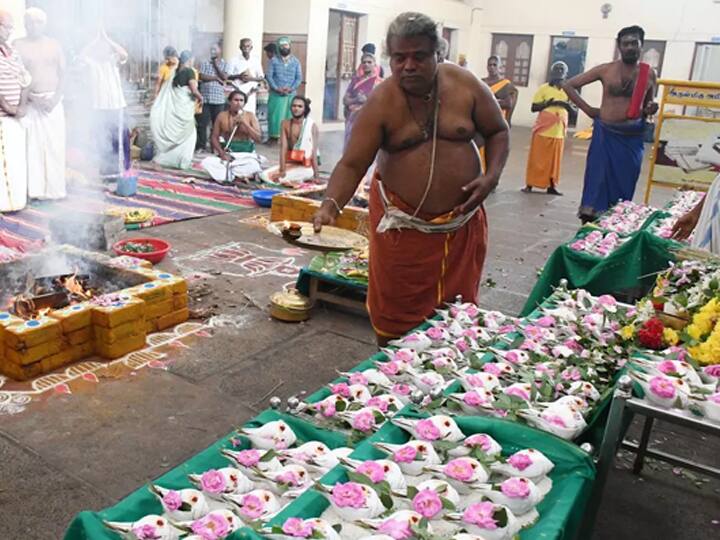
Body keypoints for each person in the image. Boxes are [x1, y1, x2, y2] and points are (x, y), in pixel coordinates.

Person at [312, 12, 509, 344]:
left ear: (438, 54)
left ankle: (449, 365)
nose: (408, 66)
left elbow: (498, 132)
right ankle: (391, 373)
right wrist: (330, 205)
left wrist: (491, 177)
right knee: (396, 311)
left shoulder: (466, 86)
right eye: (399, 58)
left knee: (457, 313)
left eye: (419, 56)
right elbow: (351, 164)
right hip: (402, 227)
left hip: (460, 226)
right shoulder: (381, 101)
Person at [564, 25, 658, 222]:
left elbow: (648, 102)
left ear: (642, 45)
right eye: (626, 44)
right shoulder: (605, 70)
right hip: (605, 135)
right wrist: (588, 110)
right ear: (619, 46)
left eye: (634, 43)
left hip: (631, 140)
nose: (630, 47)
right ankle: (589, 224)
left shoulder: (649, 74)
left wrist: (650, 108)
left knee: (625, 181)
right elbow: (569, 85)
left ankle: (615, 223)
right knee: (597, 180)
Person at [14, 7, 66, 201]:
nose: (33, 25)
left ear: (44, 24)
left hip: (53, 102)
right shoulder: (17, 45)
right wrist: (32, 98)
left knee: (55, 146)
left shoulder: (54, 45)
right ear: (25, 24)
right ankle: (34, 191)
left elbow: (63, 75)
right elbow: (15, 76)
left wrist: (55, 99)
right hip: (30, 102)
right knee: (32, 148)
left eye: (38, 22)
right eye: (30, 22)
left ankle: (55, 190)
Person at [79, 27, 129, 177]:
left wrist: (106, 39)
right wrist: (95, 40)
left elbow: (124, 54)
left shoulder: (113, 61)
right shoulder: (91, 63)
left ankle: (122, 170)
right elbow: (81, 56)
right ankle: (106, 171)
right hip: (99, 107)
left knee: (119, 139)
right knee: (102, 140)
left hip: (116, 105)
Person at [522, 61, 573, 196]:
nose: (559, 71)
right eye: (556, 69)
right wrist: (547, 104)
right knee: (537, 158)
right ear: (552, 72)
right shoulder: (544, 88)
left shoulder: (569, 89)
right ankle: (530, 184)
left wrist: (566, 106)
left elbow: (574, 111)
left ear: (566, 73)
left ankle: (552, 186)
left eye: (562, 69)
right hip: (543, 129)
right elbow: (534, 107)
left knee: (554, 161)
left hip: (558, 131)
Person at [151, 50, 203, 170]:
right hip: (184, 110)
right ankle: (183, 161)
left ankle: (170, 159)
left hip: (178, 108)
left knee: (180, 135)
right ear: (190, 59)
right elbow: (194, 90)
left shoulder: (175, 72)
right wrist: (201, 98)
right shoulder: (189, 71)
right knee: (189, 136)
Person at [0, 10, 31, 212]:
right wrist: (7, 107)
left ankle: (17, 202)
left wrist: (22, 105)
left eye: (11, 27)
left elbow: (25, 79)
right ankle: (4, 203)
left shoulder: (13, 51)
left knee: (16, 162)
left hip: (16, 118)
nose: (9, 31)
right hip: (2, 117)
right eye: (6, 26)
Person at [201, 90, 265, 183]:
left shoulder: (250, 116)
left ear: (245, 103)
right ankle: (238, 175)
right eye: (236, 100)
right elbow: (214, 137)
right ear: (229, 101)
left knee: (253, 165)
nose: (238, 103)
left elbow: (259, 138)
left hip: (246, 155)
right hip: (228, 154)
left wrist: (245, 123)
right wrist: (222, 153)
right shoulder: (222, 116)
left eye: (241, 100)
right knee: (207, 162)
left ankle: (231, 175)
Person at [260, 96, 318, 187]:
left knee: (278, 179)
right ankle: (294, 181)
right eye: (294, 106)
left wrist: (317, 176)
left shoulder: (311, 125)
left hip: (306, 167)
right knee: (264, 175)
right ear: (290, 108)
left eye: (300, 106)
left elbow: (313, 152)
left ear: (305, 109)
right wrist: (282, 170)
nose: (296, 108)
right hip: (290, 164)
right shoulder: (285, 124)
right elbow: (283, 148)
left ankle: (295, 181)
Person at [266, 36, 302, 142]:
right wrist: (277, 88)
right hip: (276, 94)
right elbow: (269, 76)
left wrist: (291, 88)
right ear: (278, 47)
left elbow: (299, 78)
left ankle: (289, 138)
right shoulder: (273, 60)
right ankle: (273, 138)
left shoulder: (296, 61)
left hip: (291, 94)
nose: (284, 48)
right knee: (275, 117)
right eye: (281, 46)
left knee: (290, 116)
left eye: (286, 45)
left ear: (289, 46)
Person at [343, 53, 382, 149]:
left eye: (369, 62)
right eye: (364, 62)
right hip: (352, 118)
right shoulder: (355, 80)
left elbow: (381, 103)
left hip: (369, 119)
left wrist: (366, 100)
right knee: (350, 147)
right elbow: (345, 100)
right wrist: (356, 99)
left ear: (374, 65)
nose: (366, 64)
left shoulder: (380, 82)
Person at [196, 43, 228, 151]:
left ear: (220, 50)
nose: (213, 51)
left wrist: (215, 65)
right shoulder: (205, 63)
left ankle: (215, 146)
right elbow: (201, 76)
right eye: (211, 49)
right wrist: (214, 78)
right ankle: (201, 146)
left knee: (217, 125)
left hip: (218, 100)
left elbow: (224, 77)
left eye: (215, 49)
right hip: (205, 98)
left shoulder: (225, 64)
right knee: (202, 124)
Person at [227, 38, 265, 115]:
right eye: (243, 46)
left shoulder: (256, 60)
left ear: (251, 48)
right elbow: (228, 76)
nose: (246, 48)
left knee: (250, 115)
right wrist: (239, 76)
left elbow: (261, 77)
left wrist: (250, 78)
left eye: (248, 46)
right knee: (236, 115)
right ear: (240, 47)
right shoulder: (234, 60)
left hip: (251, 93)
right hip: (237, 92)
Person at [482, 56, 518, 125]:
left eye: (495, 65)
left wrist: (486, 102)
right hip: (482, 120)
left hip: (498, 122)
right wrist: (497, 101)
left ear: (500, 68)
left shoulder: (505, 84)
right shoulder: (481, 83)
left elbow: (508, 104)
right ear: (487, 67)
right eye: (490, 65)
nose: (492, 67)